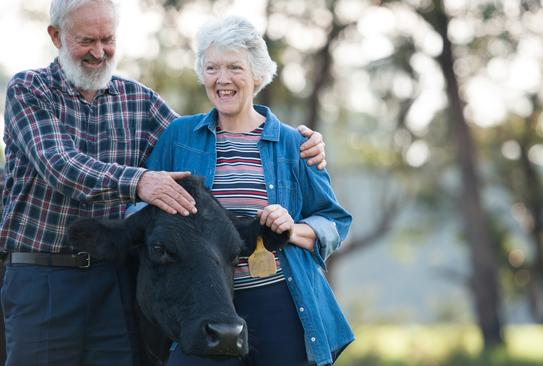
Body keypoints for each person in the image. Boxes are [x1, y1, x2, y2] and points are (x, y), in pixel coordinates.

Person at [0, 1, 326, 365]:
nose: (98, 51)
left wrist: (297, 140)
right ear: (56, 36)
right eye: (85, 40)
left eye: (107, 39)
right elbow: (58, 164)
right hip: (43, 274)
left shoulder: (139, 100)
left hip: (115, 280)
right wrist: (140, 182)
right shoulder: (29, 89)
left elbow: (203, 138)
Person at [144, 16, 354, 366]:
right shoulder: (177, 137)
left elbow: (335, 222)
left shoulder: (294, 144)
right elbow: (142, 209)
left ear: (257, 74)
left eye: (234, 67)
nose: (222, 79)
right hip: (202, 304)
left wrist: (291, 229)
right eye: (211, 67)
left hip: (277, 300)